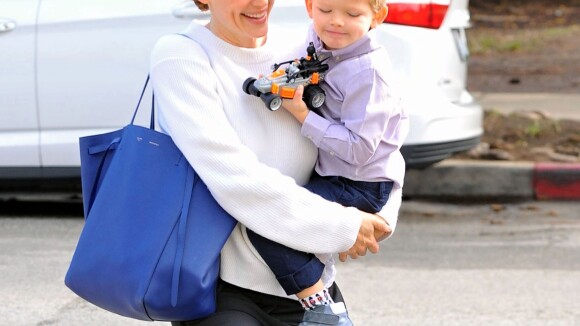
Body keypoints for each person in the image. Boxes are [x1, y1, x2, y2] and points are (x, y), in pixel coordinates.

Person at [149, 0, 403, 324]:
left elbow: (377, 138)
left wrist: (380, 216)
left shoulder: (302, 50)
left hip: (312, 289)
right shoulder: (182, 56)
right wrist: (346, 226)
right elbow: (236, 178)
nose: (259, 3)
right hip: (221, 291)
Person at [245, 0, 409, 323]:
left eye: (352, 14)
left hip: (360, 185)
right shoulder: (318, 41)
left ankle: (320, 306)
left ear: (377, 16)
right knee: (283, 220)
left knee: (269, 223)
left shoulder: (369, 73)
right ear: (309, 6)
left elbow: (360, 149)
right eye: (325, 10)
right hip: (335, 175)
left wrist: (304, 115)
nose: (336, 22)